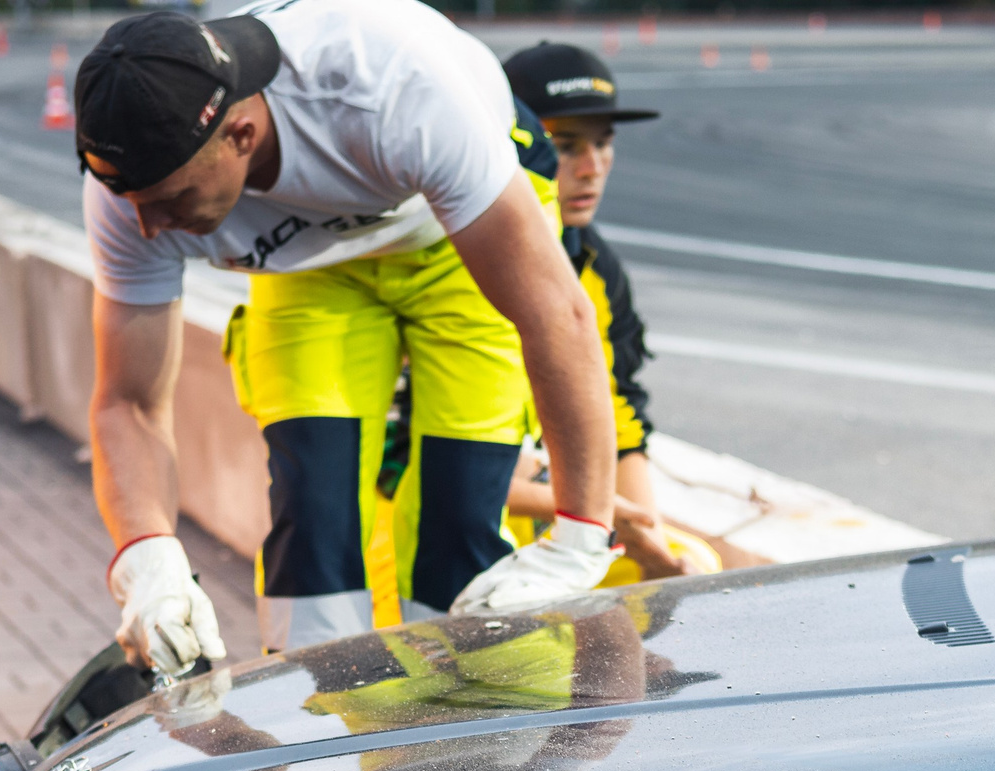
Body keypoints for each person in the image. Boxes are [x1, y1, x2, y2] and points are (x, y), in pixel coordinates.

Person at [73, 0, 620, 671]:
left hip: (455, 235)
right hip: (314, 265)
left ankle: (475, 740)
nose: (151, 228)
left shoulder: (391, 91)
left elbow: (556, 316)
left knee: (458, 509)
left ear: (241, 135)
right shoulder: (130, 193)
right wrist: (147, 558)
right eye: (134, 203)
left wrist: (581, 536)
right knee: (314, 509)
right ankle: (324, 740)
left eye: (174, 200)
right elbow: (128, 399)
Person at [498, 40, 696, 580]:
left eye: (603, 144)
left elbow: (621, 414)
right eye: (564, 146)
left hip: (554, 503)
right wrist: (599, 514)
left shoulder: (593, 260)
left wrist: (648, 539)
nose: (591, 168)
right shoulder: (457, 260)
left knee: (689, 568)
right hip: (462, 512)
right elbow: (411, 463)